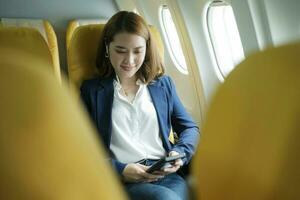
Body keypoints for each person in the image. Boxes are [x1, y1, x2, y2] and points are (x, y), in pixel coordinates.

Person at [80, 11, 199, 200]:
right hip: (126, 179)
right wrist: (121, 169)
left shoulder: (163, 85)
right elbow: (81, 148)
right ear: (107, 47)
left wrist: (179, 154)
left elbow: (190, 128)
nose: (129, 60)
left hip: (166, 173)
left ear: (147, 49)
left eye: (137, 51)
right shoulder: (92, 91)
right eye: (120, 50)